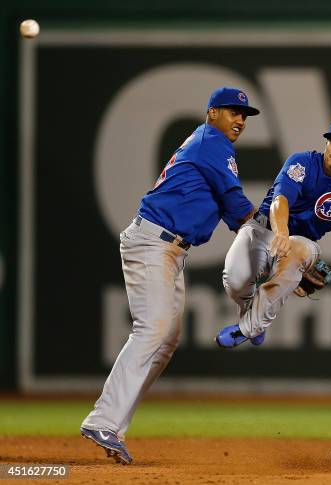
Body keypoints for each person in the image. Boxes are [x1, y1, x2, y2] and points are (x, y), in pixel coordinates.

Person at [80, 86, 260, 464]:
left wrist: (268, 242)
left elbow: (234, 217)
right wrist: (283, 245)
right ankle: (103, 420)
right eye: (232, 112)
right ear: (212, 113)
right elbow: (240, 208)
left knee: (165, 340)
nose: (240, 120)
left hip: (170, 248)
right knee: (153, 328)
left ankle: (111, 425)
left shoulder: (210, 143)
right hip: (153, 241)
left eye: (244, 115)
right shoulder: (212, 141)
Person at [216, 119, 331, 347]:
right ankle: (256, 320)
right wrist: (281, 231)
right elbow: (280, 200)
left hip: (302, 244)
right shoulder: (302, 163)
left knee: (296, 248)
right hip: (265, 229)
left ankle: (248, 328)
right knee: (234, 281)